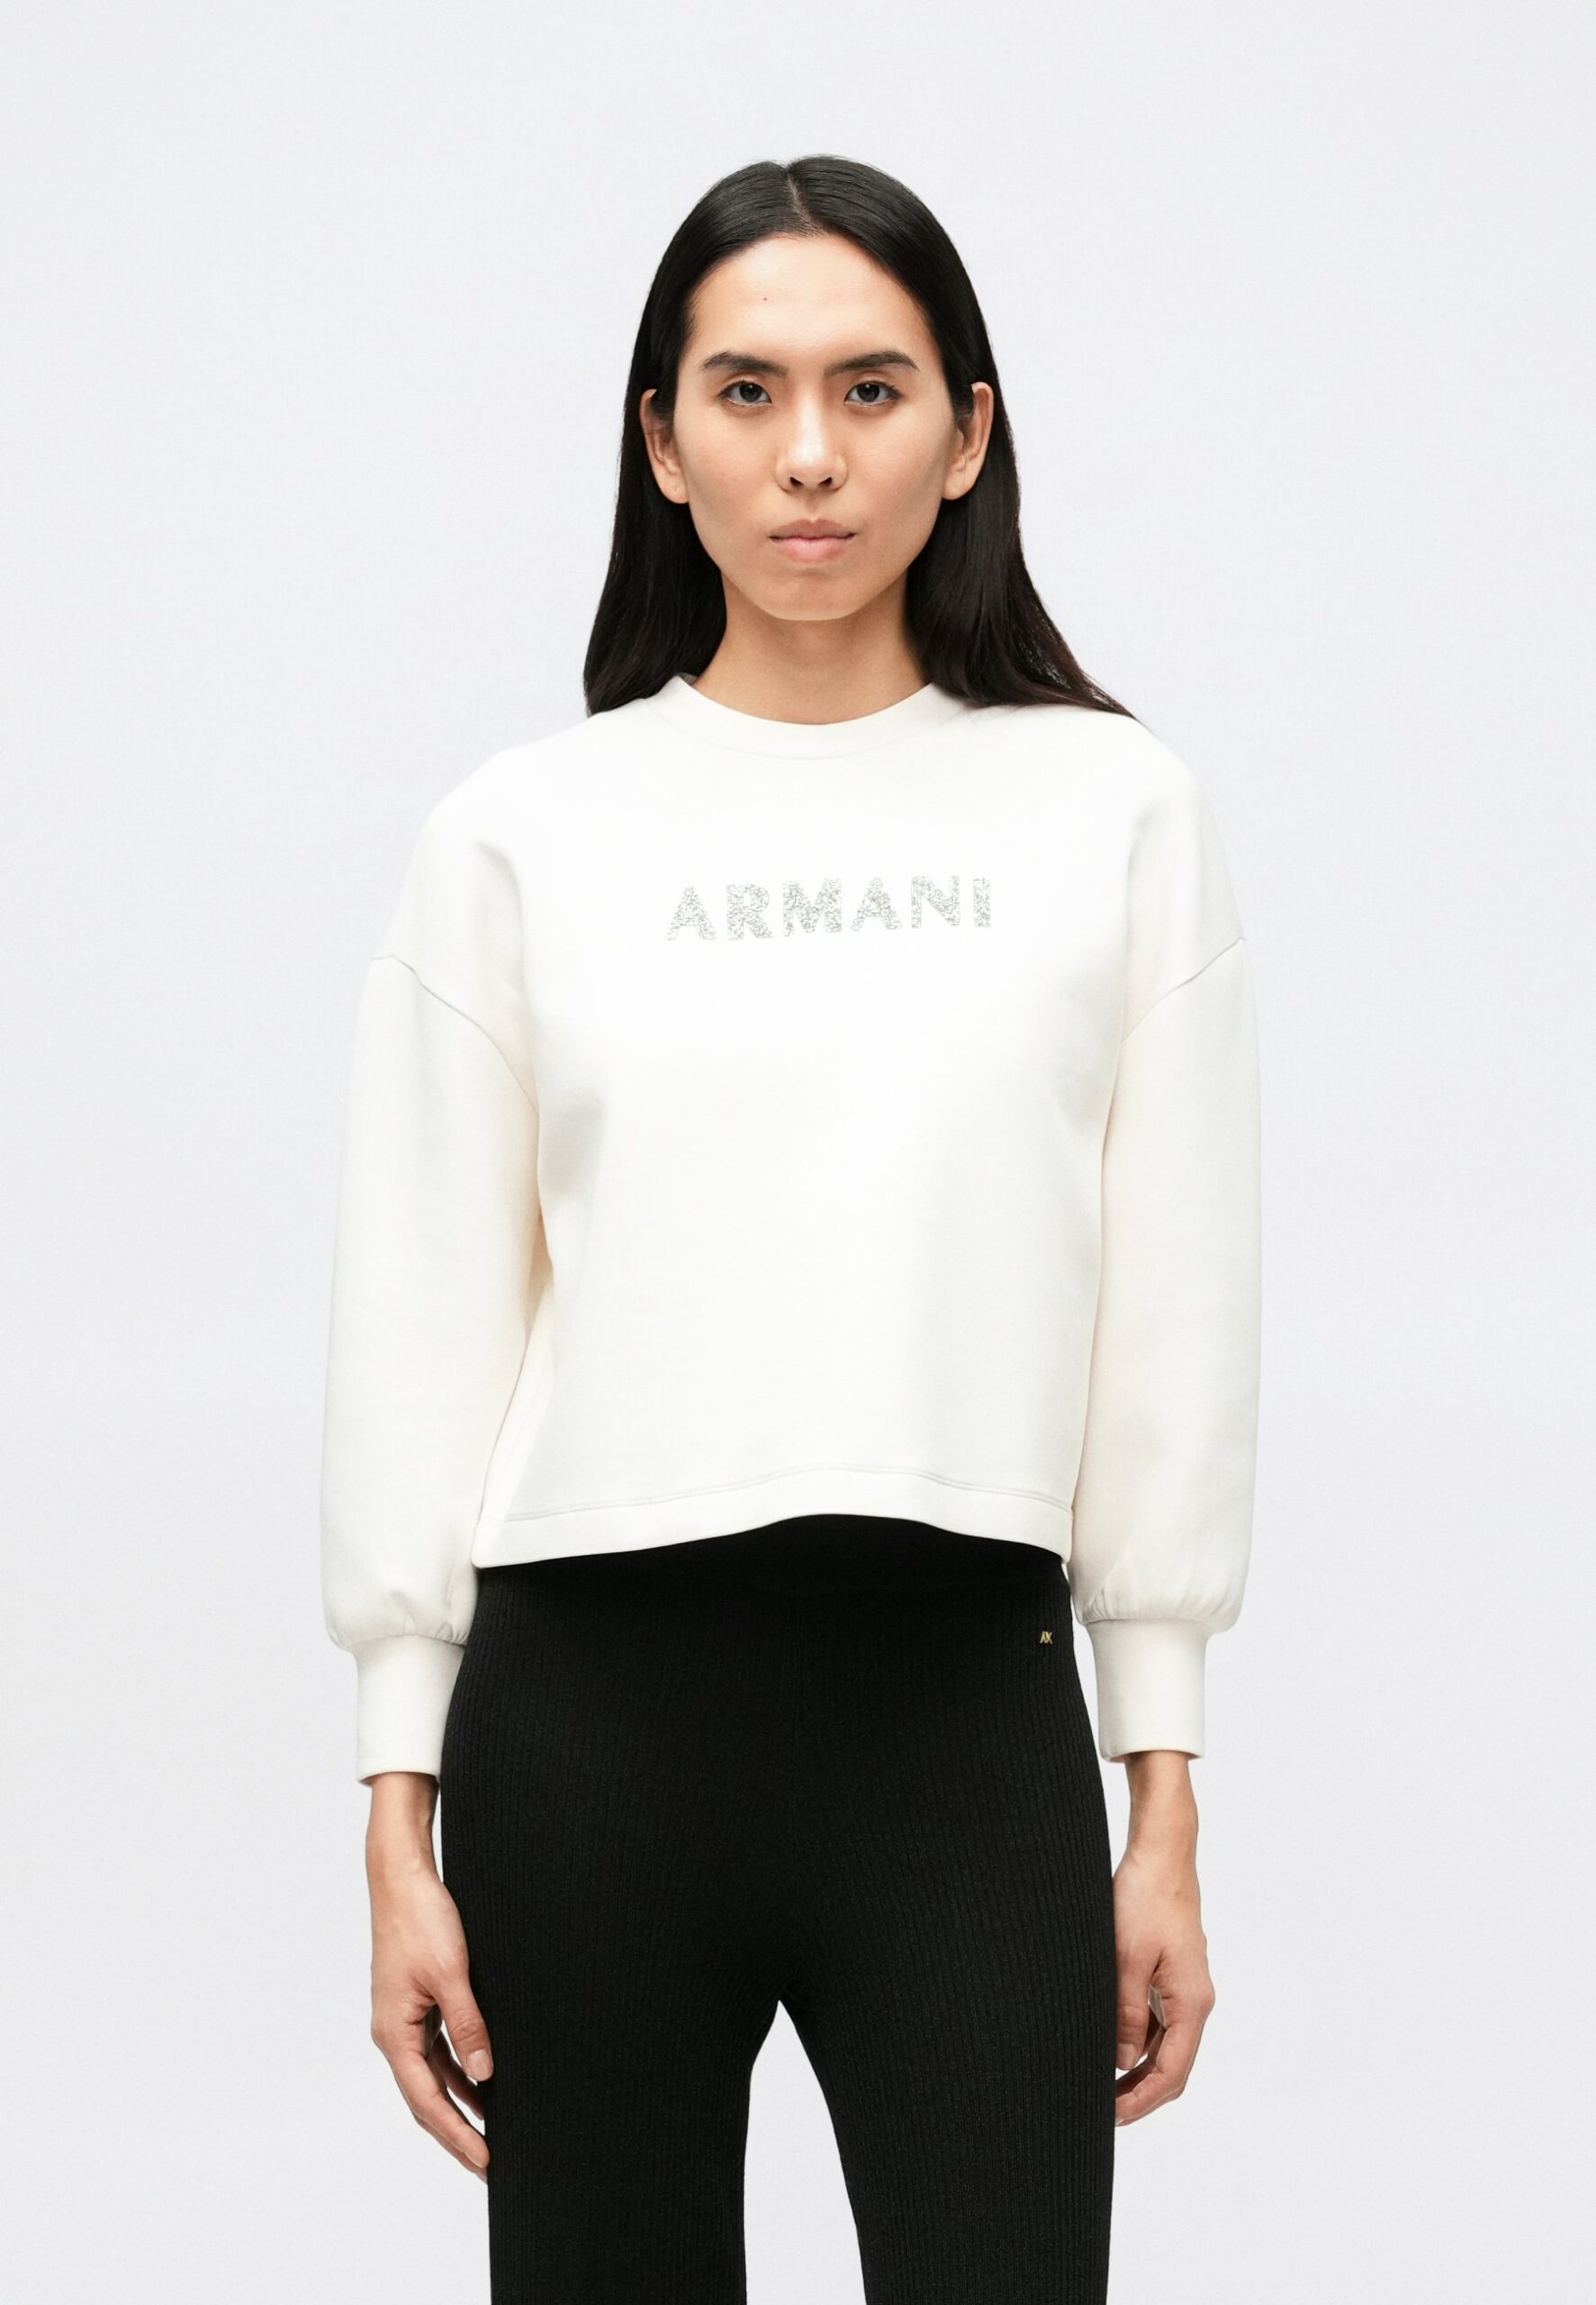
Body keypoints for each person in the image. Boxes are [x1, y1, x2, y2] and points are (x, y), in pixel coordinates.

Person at [319, 152, 1262, 2304]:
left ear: (967, 430)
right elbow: (424, 1320)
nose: (809, 455)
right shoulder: (520, 835)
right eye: (743, 391)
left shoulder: (1112, 813)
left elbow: (1172, 1320)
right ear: (661, 443)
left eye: (869, 387)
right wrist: (394, 1800)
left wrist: (1160, 1785)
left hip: (959, 1717)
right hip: (585, 1733)